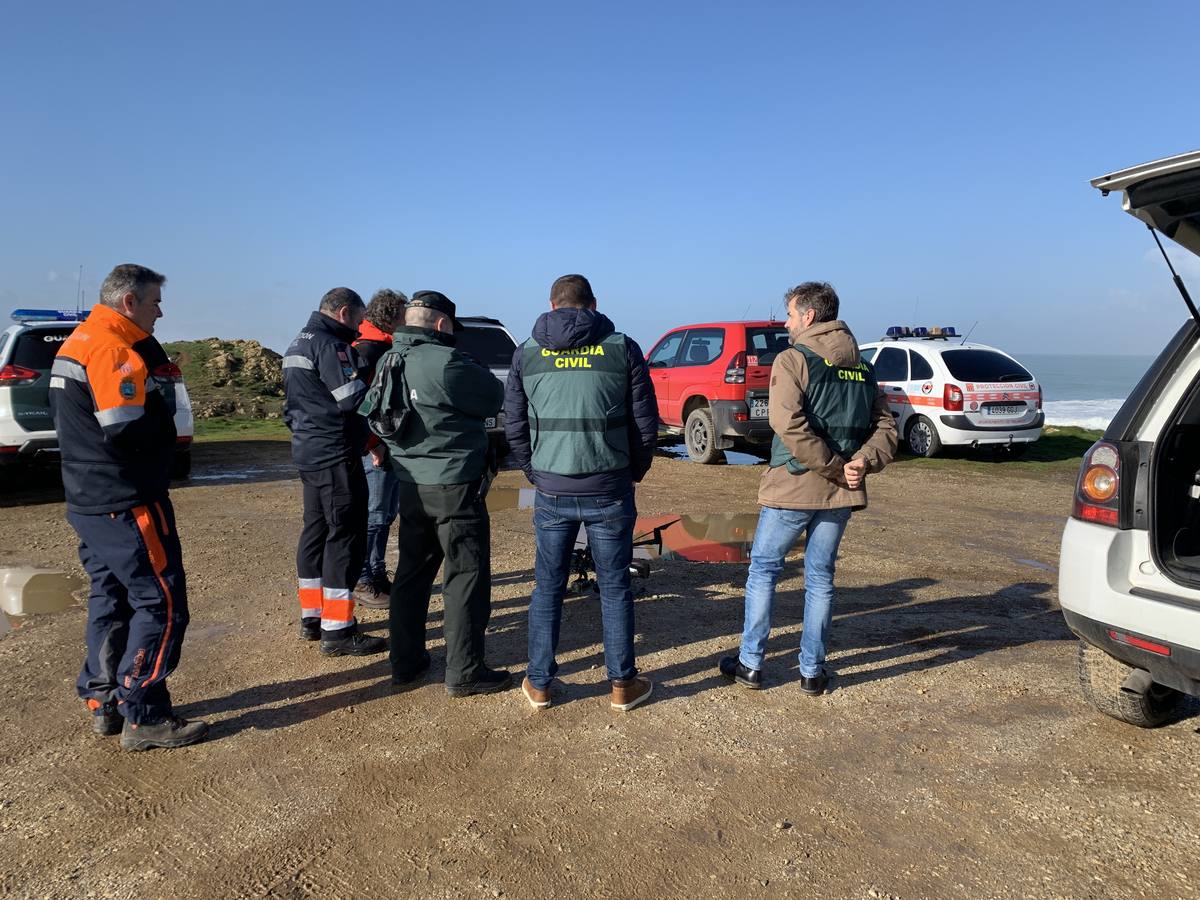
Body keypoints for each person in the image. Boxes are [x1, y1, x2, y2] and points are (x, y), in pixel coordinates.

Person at [50, 263, 209, 750]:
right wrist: (166, 428)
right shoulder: (113, 348)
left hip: (88, 498)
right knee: (159, 603)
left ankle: (103, 699)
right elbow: (126, 429)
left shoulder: (77, 340)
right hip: (127, 499)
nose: (160, 312)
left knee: (110, 597)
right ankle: (143, 712)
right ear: (129, 302)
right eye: (155, 301)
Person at [718, 282, 898, 695]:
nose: (786, 322)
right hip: (840, 493)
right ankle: (812, 672)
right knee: (820, 578)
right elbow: (886, 427)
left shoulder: (792, 359)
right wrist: (861, 463)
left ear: (809, 316)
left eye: (790, 314)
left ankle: (750, 663)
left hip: (794, 487)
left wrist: (839, 467)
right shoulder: (863, 366)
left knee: (764, 570)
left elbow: (788, 425)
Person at [504, 274, 659, 712]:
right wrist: (633, 473)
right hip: (609, 488)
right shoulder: (621, 347)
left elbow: (514, 423)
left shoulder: (527, 353)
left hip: (552, 489)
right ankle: (622, 686)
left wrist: (536, 473)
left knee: (547, 587)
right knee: (614, 587)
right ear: (591, 304)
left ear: (552, 305)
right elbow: (645, 422)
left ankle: (539, 685)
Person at [367, 291, 509, 695]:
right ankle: (465, 670)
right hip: (453, 483)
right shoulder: (447, 363)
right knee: (465, 575)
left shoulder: (389, 359)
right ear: (443, 325)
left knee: (412, 573)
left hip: (410, 482)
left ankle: (405, 662)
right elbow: (493, 397)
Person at [282, 287, 386, 656]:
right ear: (343, 313)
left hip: (308, 451)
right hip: (335, 452)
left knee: (316, 531)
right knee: (345, 535)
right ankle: (338, 630)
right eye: (358, 321)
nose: (359, 330)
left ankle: (313, 617)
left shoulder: (298, 342)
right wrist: (385, 395)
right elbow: (353, 399)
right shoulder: (331, 345)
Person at [352, 289, 408, 608]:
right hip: (375, 449)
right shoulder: (369, 350)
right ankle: (361, 580)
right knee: (373, 515)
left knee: (385, 514)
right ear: (390, 316)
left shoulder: (382, 346)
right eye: (403, 314)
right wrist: (373, 445)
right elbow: (360, 404)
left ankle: (375, 572)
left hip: (384, 446)